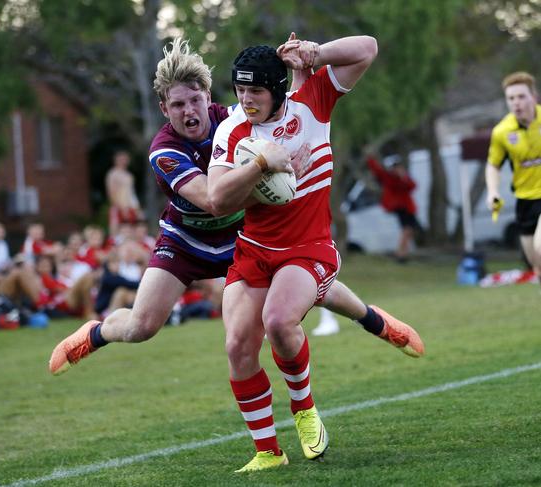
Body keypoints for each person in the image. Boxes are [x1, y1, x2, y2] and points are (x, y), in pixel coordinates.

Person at [49, 38, 422, 385]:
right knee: (141, 326)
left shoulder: (235, 118)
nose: (188, 111)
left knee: (313, 286)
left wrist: (305, 62)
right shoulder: (164, 152)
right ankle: (95, 334)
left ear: (207, 96)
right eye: (177, 105)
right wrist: (274, 173)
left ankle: (375, 321)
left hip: (239, 236)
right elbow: (214, 201)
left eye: (194, 100)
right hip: (186, 240)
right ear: (165, 109)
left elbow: (290, 110)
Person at [206, 36, 423, 471]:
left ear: (278, 89)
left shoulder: (312, 101)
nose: (246, 100)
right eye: (240, 90)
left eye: (256, 91)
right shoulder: (232, 131)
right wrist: (260, 165)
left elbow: (369, 48)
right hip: (255, 251)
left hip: (308, 247)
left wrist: (315, 53)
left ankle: (303, 408)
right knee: (237, 346)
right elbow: (217, 199)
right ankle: (267, 453)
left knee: (279, 322)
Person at [486, 71, 541, 289]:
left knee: (540, 246)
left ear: (533, 96)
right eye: (511, 98)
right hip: (525, 201)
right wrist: (492, 191)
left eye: (521, 96)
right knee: (536, 266)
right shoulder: (502, 132)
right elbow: (493, 165)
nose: (516, 103)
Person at [367, 154, 421, 262]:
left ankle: (403, 252)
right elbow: (378, 171)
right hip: (402, 208)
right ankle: (400, 254)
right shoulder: (389, 178)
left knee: (409, 231)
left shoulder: (404, 178)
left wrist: (404, 176)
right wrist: (370, 158)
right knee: (407, 230)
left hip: (408, 208)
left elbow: (412, 186)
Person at [106, 150, 143, 236]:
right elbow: (111, 192)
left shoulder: (129, 175)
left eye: (125, 159)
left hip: (130, 205)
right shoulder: (113, 174)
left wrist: (137, 208)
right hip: (119, 206)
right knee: (116, 231)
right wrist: (119, 206)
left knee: (132, 230)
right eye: (121, 159)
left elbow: (132, 193)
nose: (124, 161)